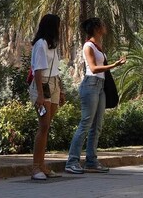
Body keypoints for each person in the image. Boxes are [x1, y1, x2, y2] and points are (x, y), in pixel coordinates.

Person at [64, 17, 126, 175]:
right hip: (91, 85)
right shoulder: (88, 46)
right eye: (103, 25)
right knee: (85, 123)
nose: (105, 27)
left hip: (100, 87)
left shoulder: (99, 47)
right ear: (97, 28)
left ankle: (91, 161)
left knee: (96, 126)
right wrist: (114, 65)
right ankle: (72, 161)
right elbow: (93, 68)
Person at [30, 14, 66, 180]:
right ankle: (36, 167)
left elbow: (55, 69)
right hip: (42, 84)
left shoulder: (52, 45)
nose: (60, 29)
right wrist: (40, 95)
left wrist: (61, 90)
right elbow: (37, 71)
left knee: (47, 126)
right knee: (43, 125)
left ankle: (42, 165)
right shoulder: (40, 44)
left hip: (54, 83)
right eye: (58, 25)